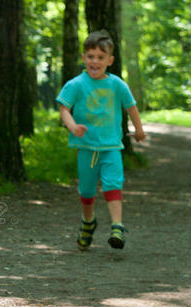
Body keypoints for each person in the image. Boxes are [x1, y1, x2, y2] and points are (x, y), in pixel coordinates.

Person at [56, 30, 146, 250]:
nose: (94, 61)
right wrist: (72, 126)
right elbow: (64, 108)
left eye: (100, 57)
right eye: (90, 56)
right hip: (86, 147)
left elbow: (131, 107)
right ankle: (88, 222)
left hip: (111, 146)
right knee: (86, 191)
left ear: (110, 60)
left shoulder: (117, 84)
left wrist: (139, 130)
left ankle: (117, 226)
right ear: (84, 58)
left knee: (113, 184)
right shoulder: (76, 84)